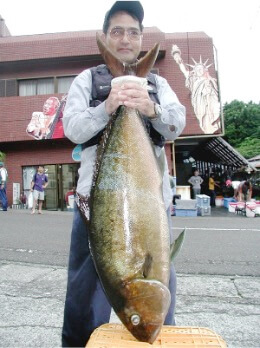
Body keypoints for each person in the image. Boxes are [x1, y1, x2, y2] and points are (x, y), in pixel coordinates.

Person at [61, 1, 186, 346]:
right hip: (96, 207)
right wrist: (107, 107)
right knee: (84, 294)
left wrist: (150, 107)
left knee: (161, 282)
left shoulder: (157, 84)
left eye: (133, 31)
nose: (125, 39)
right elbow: (72, 127)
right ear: (105, 37)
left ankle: (157, 336)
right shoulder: (87, 80)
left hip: (151, 208)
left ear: (141, 38)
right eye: (117, 31)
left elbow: (176, 123)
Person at [171, 45, 220, 134]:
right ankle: (206, 126)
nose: (200, 71)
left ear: (205, 70)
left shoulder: (210, 80)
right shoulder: (193, 80)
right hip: (199, 102)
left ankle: (213, 124)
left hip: (210, 99)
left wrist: (210, 81)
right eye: (197, 69)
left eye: (201, 69)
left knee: (213, 111)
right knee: (203, 116)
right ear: (195, 71)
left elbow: (217, 88)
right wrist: (177, 57)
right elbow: (184, 69)